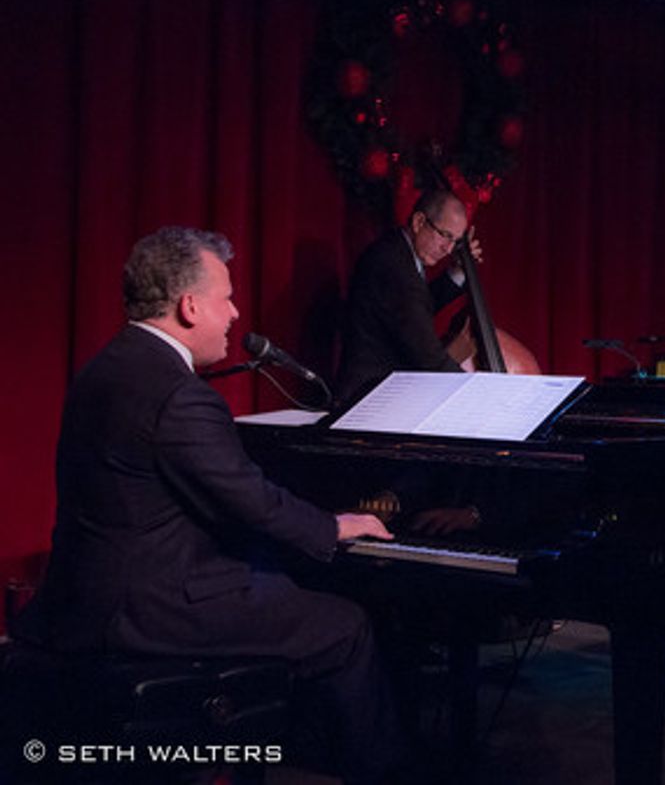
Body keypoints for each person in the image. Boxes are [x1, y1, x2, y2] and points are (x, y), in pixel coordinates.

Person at [12, 227, 402, 782]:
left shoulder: (104, 369)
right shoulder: (178, 394)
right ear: (190, 306)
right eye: (226, 297)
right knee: (344, 626)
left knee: (276, 584)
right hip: (146, 609)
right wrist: (331, 526)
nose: (237, 313)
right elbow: (252, 501)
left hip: (83, 596)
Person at [335, 189, 482, 404]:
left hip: (380, 395)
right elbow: (429, 357)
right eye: (445, 236)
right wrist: (480, 394)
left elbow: (418, 304)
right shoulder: (393, 265)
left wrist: (458, 272)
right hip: (367, 400)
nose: (448, 249)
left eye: (455, 241)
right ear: (419, 221)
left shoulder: (400, 254)